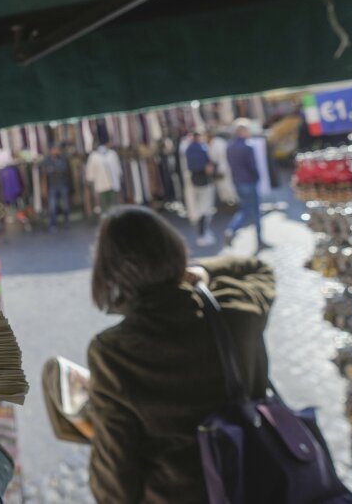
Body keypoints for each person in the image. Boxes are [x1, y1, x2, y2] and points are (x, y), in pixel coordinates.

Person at [86, 205, 275, 503]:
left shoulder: (113, 353)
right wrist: (203, 271)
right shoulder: (236, 311)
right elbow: (258, 269)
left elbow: (116, 487)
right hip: (260, 484)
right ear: (176, 250)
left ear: (109, 273)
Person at [225, 118, 270, 250]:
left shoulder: (230, 147)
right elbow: (252, 166)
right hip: (249, 182)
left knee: (244, 209)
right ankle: (259, 239)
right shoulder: (247, 146)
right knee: (255, 211)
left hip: (238, 182)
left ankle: (231, 230)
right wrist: (257, 178)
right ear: (242, 131)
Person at [183, 130, 216, 246]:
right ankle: (202, 234)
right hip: (204, 180)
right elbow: (209, 166)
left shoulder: (188, 149)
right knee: (204, 208)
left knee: (198, 207)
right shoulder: (203, 148)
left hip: (194, 180)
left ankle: (201, 232)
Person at [84, 141, 123, 214]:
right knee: (104, 206)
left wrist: (119, 177)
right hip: (101, 185)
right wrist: (90, 179)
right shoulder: (93, 156)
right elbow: (90, 172)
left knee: (114, 204)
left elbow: (118, 168)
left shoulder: (112, 154)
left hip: (113, 184)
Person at [41, 143, 72, 230]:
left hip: (62, 184)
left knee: (65, 204)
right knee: (52, 206)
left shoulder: (63, 159)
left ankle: (66, 221)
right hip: (52, 186)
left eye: (56, 149)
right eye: (54, 149)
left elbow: (64, 169)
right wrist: (55, 170)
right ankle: (53, 223)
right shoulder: (47, 160)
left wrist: (53, 169)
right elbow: (46, 171)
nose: (55, 151)